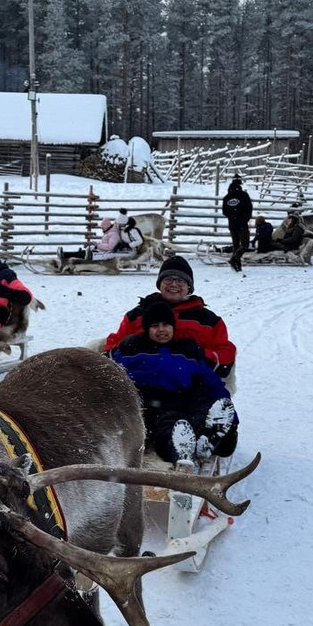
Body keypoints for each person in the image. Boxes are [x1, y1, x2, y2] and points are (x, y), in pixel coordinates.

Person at [111, 302, 238, 464]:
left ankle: (208, 438)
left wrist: (232, 419)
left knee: (185, 418)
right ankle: (181, 450)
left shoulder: (187, 351)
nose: (161, 330)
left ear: (173, 327)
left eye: (166, 325)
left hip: (174, 403)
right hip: (139, 405)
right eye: (155, 326)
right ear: (146, 329)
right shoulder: (131, 349)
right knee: (162, 429)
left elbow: (213, 384)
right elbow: (110, 372)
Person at [104, 255, 236, 378]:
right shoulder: (136, 315)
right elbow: (111, 347)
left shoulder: (208, 321)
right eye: (168, 279)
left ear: (189, 287)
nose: (173, 284)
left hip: (190, 387)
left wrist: (200, 353)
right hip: (141, 382)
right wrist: (126, 346)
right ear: (160, 284)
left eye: (180, 280)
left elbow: (226, 355)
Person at [222, 176, 253, 272]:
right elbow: (249, 208)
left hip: (232, 224)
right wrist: (245, 218)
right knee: (244, 245)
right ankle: (234, 259)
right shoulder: (243, 195)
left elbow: (225, 211)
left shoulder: (227, 198)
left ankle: (237, 265)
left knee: (236, 245)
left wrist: (232, 217)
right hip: (242, 224)